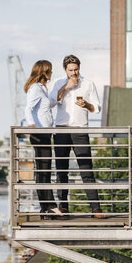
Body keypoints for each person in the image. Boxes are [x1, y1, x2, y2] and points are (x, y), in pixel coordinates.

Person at [49, 54, 106, 219]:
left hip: (80, 130)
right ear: (65, 70)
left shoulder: (88, 84)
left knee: (86, 169)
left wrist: (87, 105)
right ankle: (63, 207)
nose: (74, 73)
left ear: (79, 68)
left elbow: (97, 107)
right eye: (71, 70)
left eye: (76, 69)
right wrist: (66, 87)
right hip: (61, 130)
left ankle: (96, 209)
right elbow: (52, 102)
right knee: (61, 170)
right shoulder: (59, 83)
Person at [24, 60, 65, 220]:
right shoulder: (35, 88)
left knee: (44, 169)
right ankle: (49, 206)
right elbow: (28, 108)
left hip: (45, 133)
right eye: (50, 70)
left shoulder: (42, 89)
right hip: (39, 134)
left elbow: (47, 107)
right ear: (44, 72)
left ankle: (46, 207)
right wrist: (32, 125)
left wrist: (62, 91)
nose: (52, 73)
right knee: (44, 169)